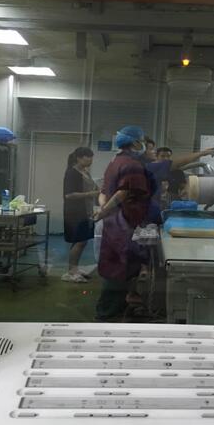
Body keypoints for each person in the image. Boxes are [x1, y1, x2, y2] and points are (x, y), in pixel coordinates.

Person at [94, 126, 158, 320]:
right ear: (136, 143)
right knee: (120, 269)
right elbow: (123, 192)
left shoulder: (114, 162)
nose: (147, 147)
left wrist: (104, 210)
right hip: (124, 224)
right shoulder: (132, 165)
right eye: (143, 142)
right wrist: (105, 211)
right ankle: (107, 315)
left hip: (113, 223)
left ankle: (114, 310)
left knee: (114, 266)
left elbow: (103, 192)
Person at [61, 147, 99, 283]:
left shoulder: (85, 172)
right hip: (75, 211)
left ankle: (74, 268)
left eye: (91, 157)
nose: (90, 160)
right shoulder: (72, 173)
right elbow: (69, 195)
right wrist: (91, 194)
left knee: (82, 240)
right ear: (79, 158)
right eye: (87, 157)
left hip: (86, 210)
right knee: (80, 240)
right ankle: (71, 271)